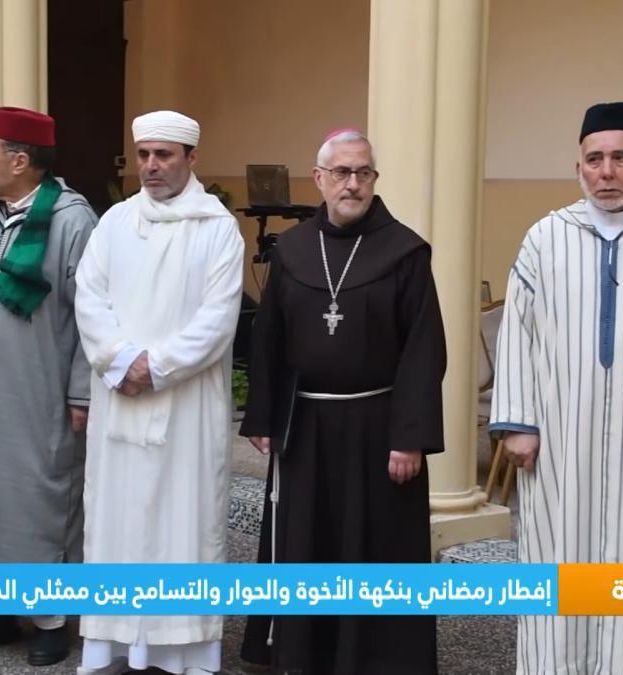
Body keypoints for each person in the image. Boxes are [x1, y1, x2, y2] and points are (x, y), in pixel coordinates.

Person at [490, 102, 623, 674]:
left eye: (619, 158)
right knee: (555, 562)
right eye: (595, 160)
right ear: (578, 167)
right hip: (558, 439)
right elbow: (518, 332)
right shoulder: (544, 238)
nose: (607, 171)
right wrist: (516, 421)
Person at [236, 128, 446, 674]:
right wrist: (263, 414)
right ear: (320, 178)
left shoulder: (404, 252)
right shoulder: (295, 249)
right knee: (308, 544)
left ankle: (380, 659)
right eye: (342, 173)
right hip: (305, 424)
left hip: (381, 427)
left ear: (374, 179)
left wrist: (410, 437)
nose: (353, 184)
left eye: (364, 173)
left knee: (374, 549)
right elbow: (270, 338)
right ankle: (304, 654)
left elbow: (424, 349)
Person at [73, 110, 244, 675]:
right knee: (117, 524)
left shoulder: (217, 227)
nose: (151, 166)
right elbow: (88, 298)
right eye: (143, 154)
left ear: (191, 159)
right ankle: (114, 644)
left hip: (186, 407)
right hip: (119, 395)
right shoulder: (114, 223)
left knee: (183, 526)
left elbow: (218, 319)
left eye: (164, 155)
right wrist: (122, 360)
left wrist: (158, 365)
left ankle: (184, 652)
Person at [0, 106, 96, 665]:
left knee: (39, 495)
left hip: (39, 389)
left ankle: (51, 617)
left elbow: (91, 315)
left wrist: (82, 392)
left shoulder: (74, 221)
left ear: (21, 160)